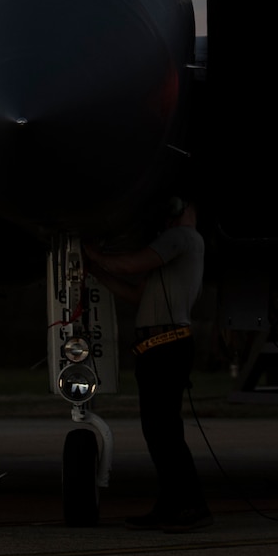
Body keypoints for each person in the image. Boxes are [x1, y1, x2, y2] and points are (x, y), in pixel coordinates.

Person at [85, 198, 210, 532]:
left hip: (165, 346)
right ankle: (173, 504)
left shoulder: (179, 237)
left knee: (164, 432)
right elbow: (138, 295)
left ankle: (189, 504)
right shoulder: (180, 245)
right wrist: (97, 271)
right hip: (160, 346)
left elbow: (130, 266)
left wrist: (94, 254)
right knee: (161, 432)